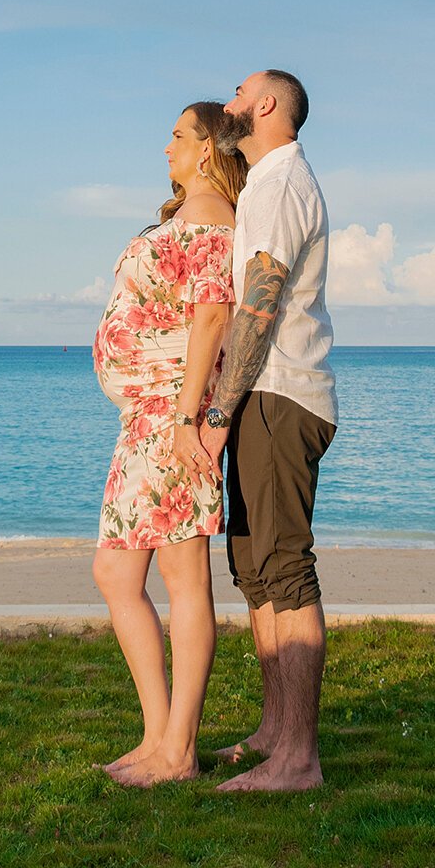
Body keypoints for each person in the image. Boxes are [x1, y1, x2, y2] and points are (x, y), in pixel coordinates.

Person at [91, 101, 247, 785]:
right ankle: (157, 736)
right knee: (117, 574)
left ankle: (177, 750)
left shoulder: (213, 219)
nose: (166, 148)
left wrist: (189, 419)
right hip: (147, 420)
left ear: (208, 147)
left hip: (172, 419)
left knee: (183, 580)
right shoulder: (188, 217)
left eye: (178, 136)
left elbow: (213, 317)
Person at [200, 68, 336, 792]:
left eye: (236, 92)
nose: (226, 104)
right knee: (252, 571)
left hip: (280, 392)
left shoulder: (282, 183)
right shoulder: (260, 185)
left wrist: (219, 413)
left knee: (283, 568)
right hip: (259, 394)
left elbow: (258, 306)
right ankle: (273, 733)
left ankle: (300, 760)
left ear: (267, 105)